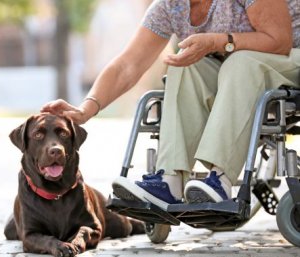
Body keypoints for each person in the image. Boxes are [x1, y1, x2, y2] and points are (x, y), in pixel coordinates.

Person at [41, 0, 300, 207]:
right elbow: (128, 65)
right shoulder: (169, 7)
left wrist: (217, 41)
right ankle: (169, 180)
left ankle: (220, 179)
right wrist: (86, 108)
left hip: (288, 60)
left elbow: (279, 39)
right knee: (183, 64)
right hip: (234, 71)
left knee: (241, 61)